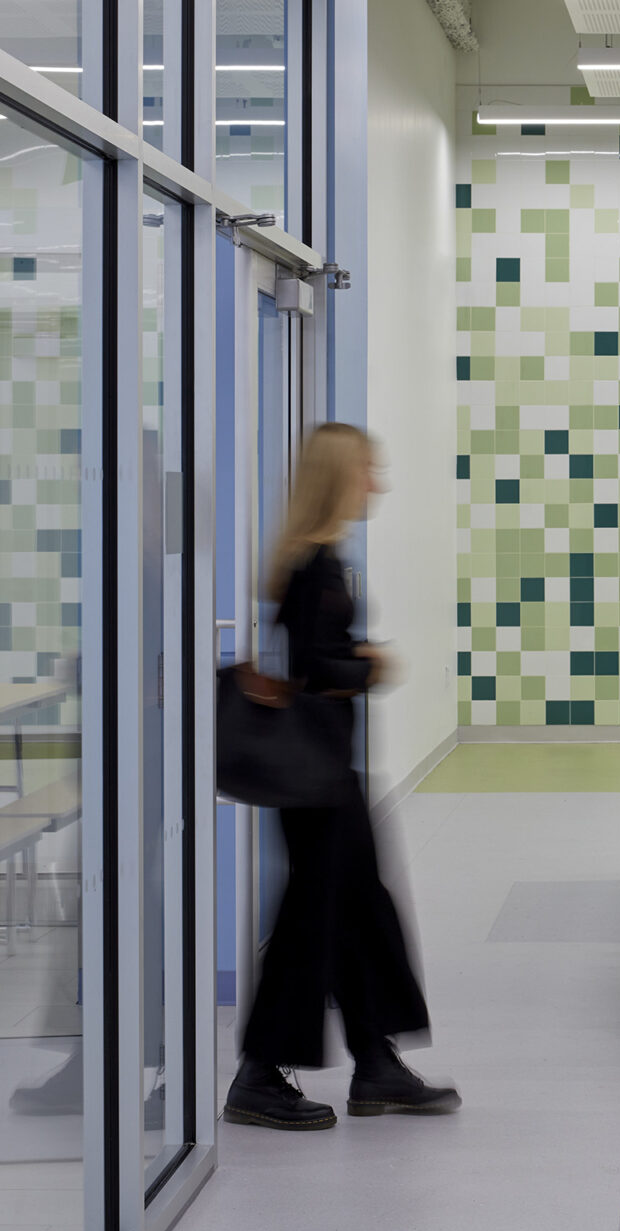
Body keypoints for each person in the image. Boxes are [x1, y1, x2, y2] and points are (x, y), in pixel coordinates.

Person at [224, 422, 460, 1130]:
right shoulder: (313, 566)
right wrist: (371, 664)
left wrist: (351, 656)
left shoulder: (314, 559)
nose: (377, 482)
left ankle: (376, 1064)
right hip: (316, 779)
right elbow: (316, 667)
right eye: (367, 468)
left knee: (358, 912)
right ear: (338, 475)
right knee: (313, 923)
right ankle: (260, 1076)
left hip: (324, 772)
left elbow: (310, 655)